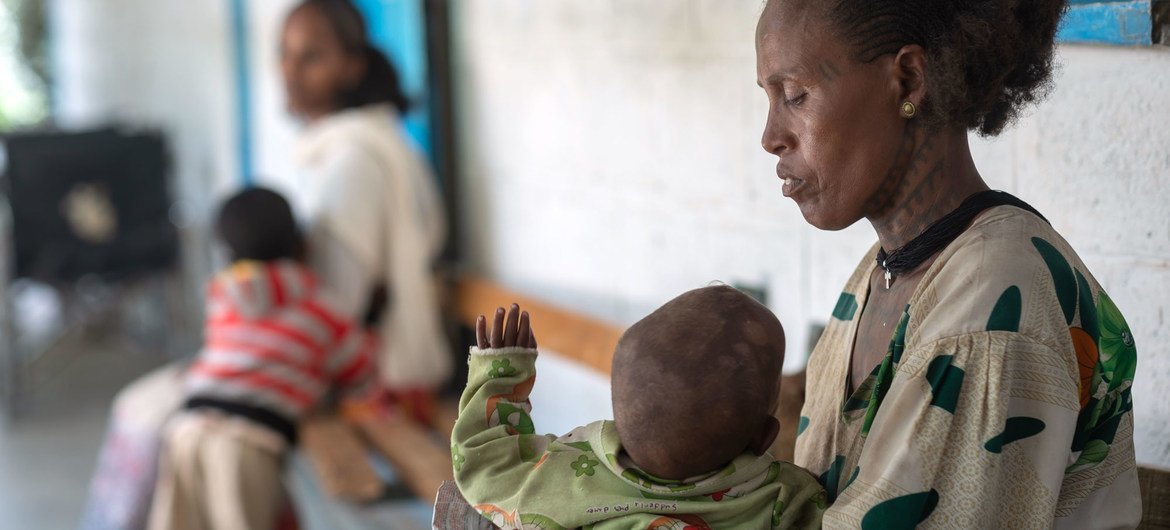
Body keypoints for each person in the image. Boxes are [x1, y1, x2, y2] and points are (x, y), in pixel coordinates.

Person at [755, 0, 1141, 527]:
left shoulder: (992, 308)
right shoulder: (885, 270)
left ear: (909, 80)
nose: (771, 135)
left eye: (795, 96)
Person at [452, 288, 827, 529]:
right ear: (765, 437)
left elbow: (483, 460)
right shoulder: (783, 497)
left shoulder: (565, 477)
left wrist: (500, 373)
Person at [147, 188, 385, 530]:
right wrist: (373, 322)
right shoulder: (320, 307)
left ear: (226, 250)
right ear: (301, 243)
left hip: (187, 429)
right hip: (248, 442)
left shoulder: (223, 296)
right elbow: (360, 370)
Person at [281, 0, 451, 417]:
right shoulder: (368, 142)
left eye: (311, 57)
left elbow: (336, 307)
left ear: (353, 66)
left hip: (372, 378)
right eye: (284, 53)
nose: (290, 72)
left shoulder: (353, 163)